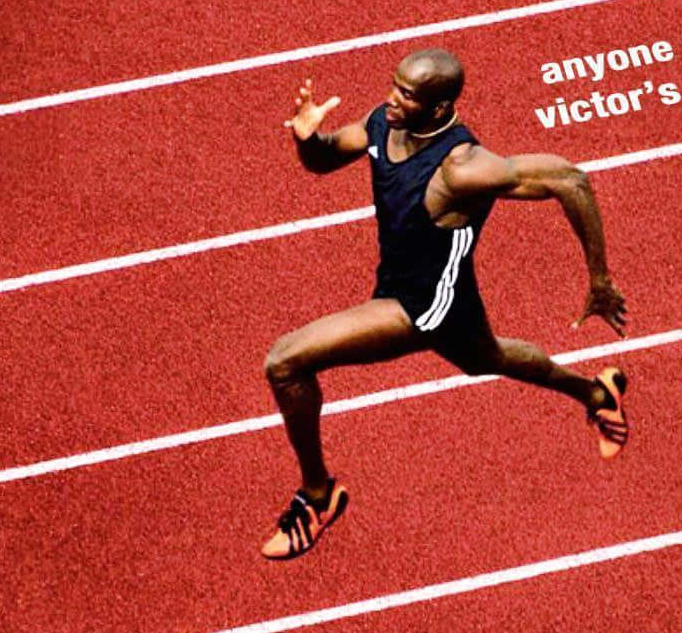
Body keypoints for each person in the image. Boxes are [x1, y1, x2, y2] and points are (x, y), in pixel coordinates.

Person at [263, 47, 630, 560]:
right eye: (394, 86)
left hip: (423, 305)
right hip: (413, 284)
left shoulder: (462, 168)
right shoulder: (383, 123)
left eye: (407, 95)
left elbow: (570, 179)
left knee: (285, 361)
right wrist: (305, 138)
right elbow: (323, 159)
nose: (392, 99)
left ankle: (319, 496)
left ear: (438, 109)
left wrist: (599, 279)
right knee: (487, 358)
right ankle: (596, 393)